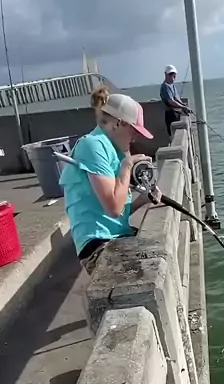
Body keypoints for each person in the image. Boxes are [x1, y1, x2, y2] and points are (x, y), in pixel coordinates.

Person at [60, 91, 161, 276]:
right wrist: (126, 167)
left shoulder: (113, 151)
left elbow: (117, 213)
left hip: (117, 237)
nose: (135, 137)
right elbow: (113, 208)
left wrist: (143, 200)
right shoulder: (92, 146)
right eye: (134, 130)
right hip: (98, 245)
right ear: (118, 123)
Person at [159, 65, 190, 137]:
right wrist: (183, 107)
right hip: (171, 114)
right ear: (165, 74)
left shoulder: (172, 85)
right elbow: (171, 101)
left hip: (177, 113)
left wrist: (183, 105)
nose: (172, 76)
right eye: (170, 74)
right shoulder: (165, 86)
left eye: (174, 74)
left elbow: (177, 99)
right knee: (173, 135)